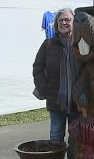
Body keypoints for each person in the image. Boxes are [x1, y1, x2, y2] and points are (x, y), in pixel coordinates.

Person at [33, 8, 82, 158]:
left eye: (68, 19)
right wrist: (43, 88)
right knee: (55, 137)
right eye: (60, 20)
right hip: (55, 99)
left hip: (76, 100)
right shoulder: (48, 44)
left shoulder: (80, 44)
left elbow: (88, 69)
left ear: (74, 23)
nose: (64, 22)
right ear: (56, 23)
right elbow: (37, 67)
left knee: (76, 138)